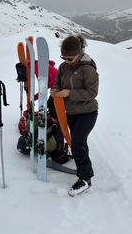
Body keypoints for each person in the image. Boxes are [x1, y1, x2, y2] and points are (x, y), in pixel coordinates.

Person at [50, 34, 99, 197]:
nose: (66, 61)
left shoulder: (87, 68)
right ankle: (85, 168)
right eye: (63, 57)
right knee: (79, 143)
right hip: (71, 113)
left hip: (87, 112)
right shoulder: (64, 66)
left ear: (79, 53)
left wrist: (69, 93)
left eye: (69, 58)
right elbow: (57, 82)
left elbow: (92, 93)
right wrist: (55, 90)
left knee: (76, 144)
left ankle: (85, 179)